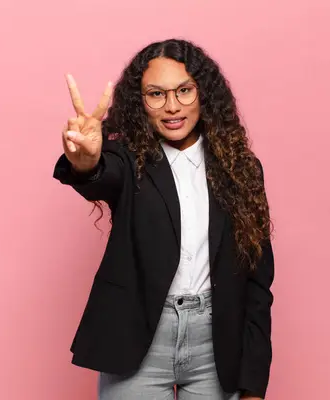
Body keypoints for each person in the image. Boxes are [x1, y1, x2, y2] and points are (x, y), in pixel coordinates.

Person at [53, 38, 275, 400]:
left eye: (184, 91)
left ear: (204, 93)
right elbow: (99, 176)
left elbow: (257, 283)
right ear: (140, 102)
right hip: (138, 341)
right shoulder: (128, 159)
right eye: (156, 94)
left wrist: (253, 385)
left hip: (216, 346)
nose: (172, 106)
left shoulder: (241, 169)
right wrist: (85, 161)